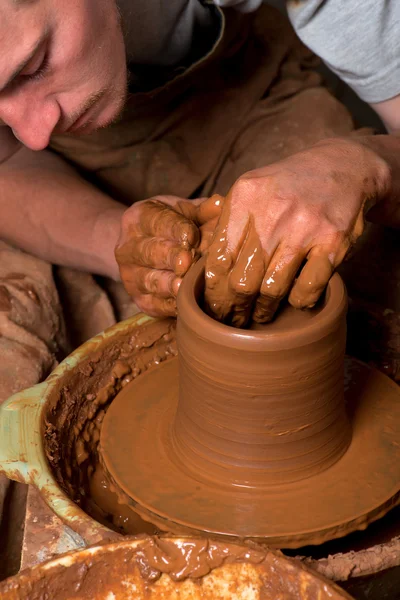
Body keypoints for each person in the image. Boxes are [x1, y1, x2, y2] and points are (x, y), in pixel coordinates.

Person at [0, 0, 399, 392]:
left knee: (360, 290)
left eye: (34, 66)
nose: (31, 135)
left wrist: (366, 165)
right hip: (62, 173)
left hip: (244, 95)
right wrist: (119, 240)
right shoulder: (35, 129)